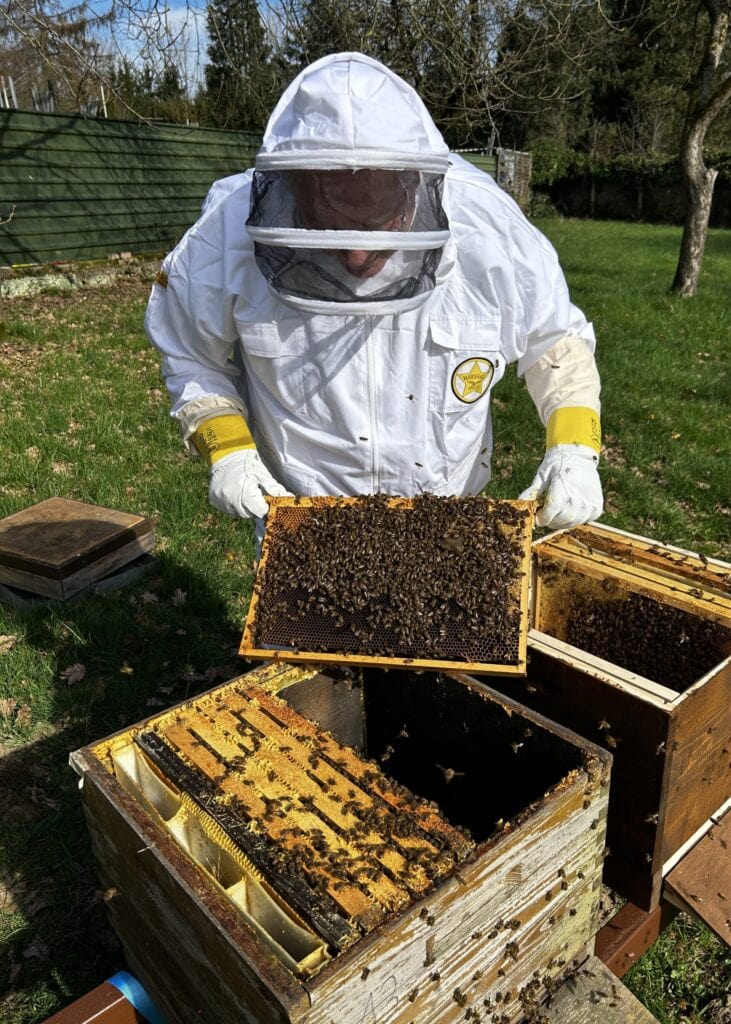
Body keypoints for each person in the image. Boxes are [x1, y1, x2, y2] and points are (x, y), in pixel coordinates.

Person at [145, 52, 603, 534]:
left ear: (417, 190)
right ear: (292, 193)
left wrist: (573, 448)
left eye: (380, 227)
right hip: (303, 520)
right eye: (333, 229)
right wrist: (229, 449)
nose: (358, 258)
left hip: (447, 521)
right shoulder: (222, 238)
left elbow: (555, 343)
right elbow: (191, 354)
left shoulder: (492, 232)